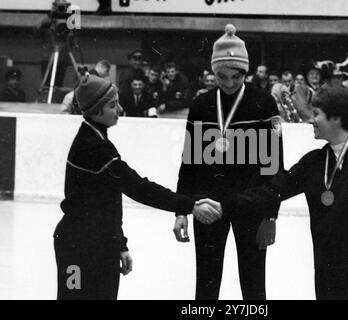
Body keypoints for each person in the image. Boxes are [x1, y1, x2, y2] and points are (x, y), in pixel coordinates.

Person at [53, 74, 222, 300]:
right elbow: (139, 188)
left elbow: (108, 202)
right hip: (77, 247)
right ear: (95, 111)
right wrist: (191, 205)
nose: (120, 109)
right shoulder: (92, 147)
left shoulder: (98, 139)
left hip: (99, 243)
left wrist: (119, 244)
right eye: (113, 105)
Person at [226, 86, 348, 300]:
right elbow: (272, 190)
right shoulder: (313, 162)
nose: (311, 120)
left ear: (336, 118)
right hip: (327, 267)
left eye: (317, 113)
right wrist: (224, 204)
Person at [173, 24, 283, 300]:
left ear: (246, 72)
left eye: (236, 76)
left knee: (254, 284)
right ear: (213, 72)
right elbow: (189, 163)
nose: (229, 83)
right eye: (222, 76)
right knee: (206, 285)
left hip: (251, 205)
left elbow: (274, 164)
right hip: (208, 205)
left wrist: (271, 214)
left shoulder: (265, 104)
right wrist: (181, 210)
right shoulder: (201, 104)